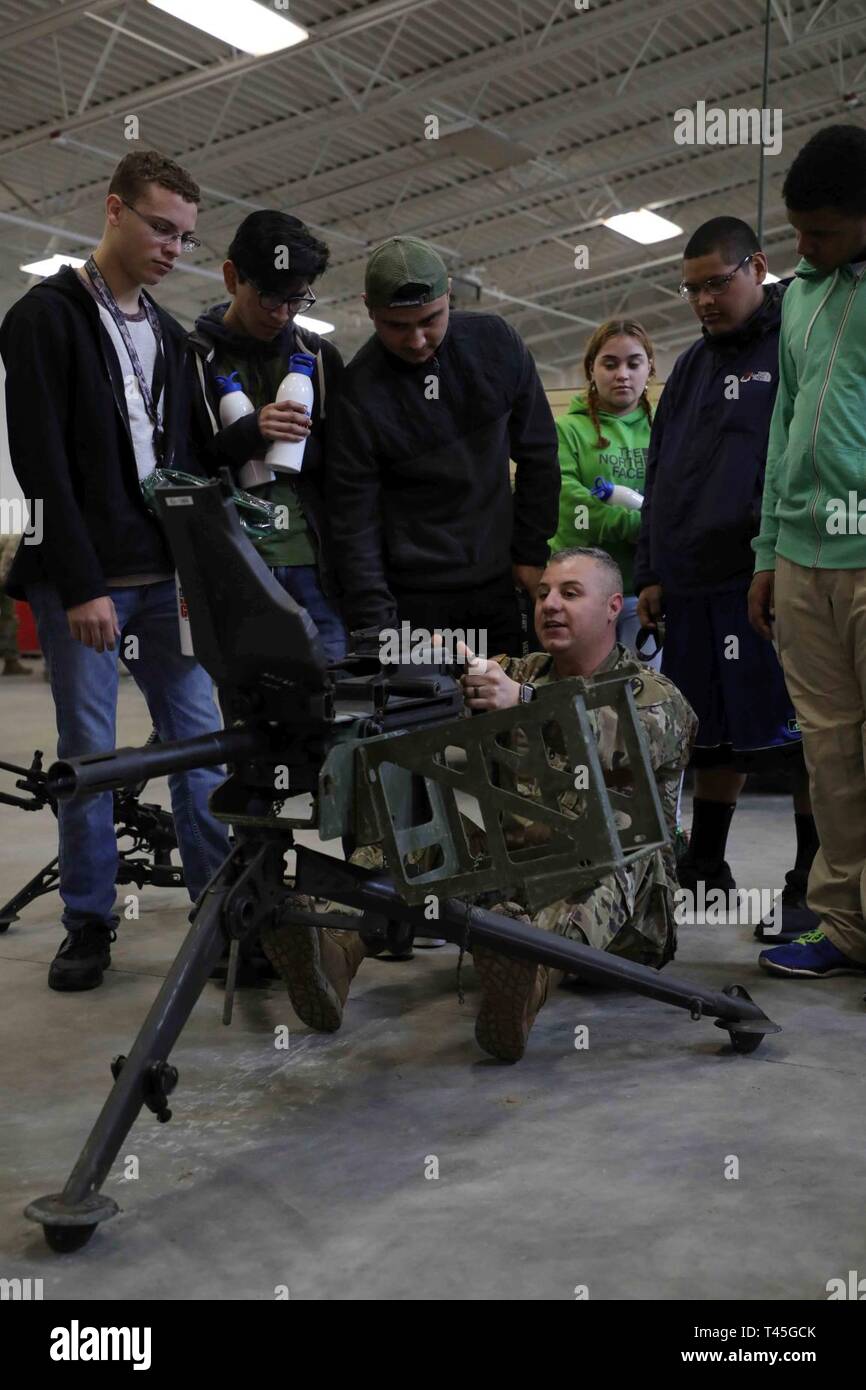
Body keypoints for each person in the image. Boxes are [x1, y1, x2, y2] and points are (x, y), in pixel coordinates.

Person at [258, 548, 696, 1063]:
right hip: (521, 880)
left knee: (627, 847)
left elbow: (620, 741)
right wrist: (434, 666)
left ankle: (528, 974)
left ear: (612, 607)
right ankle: (333, 949)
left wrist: (522, 702)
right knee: (417, 839)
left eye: (570, 594)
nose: (551, 605)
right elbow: (456, 697)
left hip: (628, 919)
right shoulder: (523, 670)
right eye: (543, 594)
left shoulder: (652, 693)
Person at [0, 150, 231, 992]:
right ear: (113, 211)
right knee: (89, 756)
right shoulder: (45, 318)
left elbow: (183, 467)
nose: (174, 247)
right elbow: (40, 462)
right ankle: (90, 923)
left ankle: (219, 915)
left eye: (185, 237)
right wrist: (82, 582)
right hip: (87, 583)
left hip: (165, 580)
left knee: (202, 746)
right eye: (161, 228)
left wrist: (193, 572)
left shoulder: (172, 337)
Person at [635, 216, 817, 939]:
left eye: (717, 282)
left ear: (758, 268)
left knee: (796, 738)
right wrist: (651, 569)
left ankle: (809, 884)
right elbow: (659, 471)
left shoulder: (793, 346)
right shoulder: (687, 367)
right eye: (691, 289)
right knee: (706, 737)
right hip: (688, 582)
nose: (704, 300)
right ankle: (705, 868)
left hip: (761, 579)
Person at [748, 126, 866, 981]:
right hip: (801, 557)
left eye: (820, 232)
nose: (803, 246)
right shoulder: (796, 296)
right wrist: (766, 551)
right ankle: (844, 928)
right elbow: (784, 422)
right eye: (798, 230)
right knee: (828, 752)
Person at [326, 235, 560, 659]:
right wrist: (379, 625)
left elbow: (539, 455)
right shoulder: (356, 394)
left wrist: (531, 552)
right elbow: (352, 523)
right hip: (414, 601)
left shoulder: (497, 345)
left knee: (511, 712)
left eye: (430, 320)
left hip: (500, 583)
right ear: (368, 308)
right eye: (397, 326)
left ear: (449, 293)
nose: (416, 340)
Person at [189, 210, 347, 661]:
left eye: (296, 301)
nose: (282, 315)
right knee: (251, 712)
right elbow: (176, 469)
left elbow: (349, 468)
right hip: (236, 569)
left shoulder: (318, 359)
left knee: (336, 706)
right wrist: (246, 433)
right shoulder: (194, 361)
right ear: (231, 277)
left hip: (314, 567)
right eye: (270, 298)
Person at [551, 318, 659, 665]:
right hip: (582, 596)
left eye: (633, 363)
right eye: (610, 364)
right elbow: (568, 502)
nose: (622, 374)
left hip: (648, 593)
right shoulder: (566, 430)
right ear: (591, 370)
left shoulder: (667, 429)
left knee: (646, 703)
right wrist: (640, 527)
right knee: (587, 700)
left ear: (649, 369)